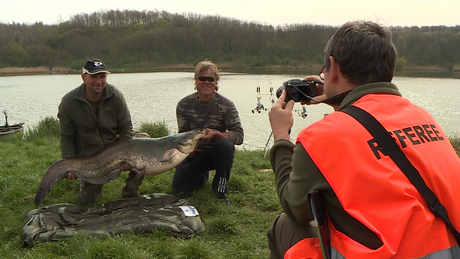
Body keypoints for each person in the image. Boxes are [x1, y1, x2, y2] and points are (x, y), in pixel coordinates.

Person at [267, 20, 460, 258]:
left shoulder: (321, 137)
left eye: (324, 70)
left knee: (284, 225)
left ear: (332, 67)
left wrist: (281, 135)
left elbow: (294, 206)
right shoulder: (423, 117)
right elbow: (367, 124)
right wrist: (337, 97)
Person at [58, 59, 143, 204]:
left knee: (143, 144)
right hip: (90, 156)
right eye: (94, 76)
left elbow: (126, 129)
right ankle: (88, 185)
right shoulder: (68, 102)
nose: (99, 81)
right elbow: (67, 137)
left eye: (102, 76)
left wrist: (128, 157)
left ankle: (130, 189)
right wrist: (69, 162)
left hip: (115, 148)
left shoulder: (116, 96)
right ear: (83, 77)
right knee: (89, 201)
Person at [172, 60, 244, 204]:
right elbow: (183, 136)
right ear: (196, 81)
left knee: (226, 145)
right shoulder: (183, 105)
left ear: (216, 82)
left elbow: (239, 136)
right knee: (180, 189)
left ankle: (220, 189)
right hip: (193, 156)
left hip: (216, 155)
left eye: (211, 79)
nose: (206, 82)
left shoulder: (227, 105)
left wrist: (216, 134)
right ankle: (201, 175)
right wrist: (180, 157)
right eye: (202, 78)